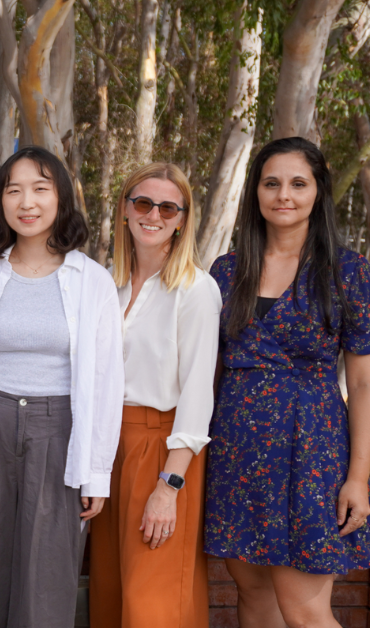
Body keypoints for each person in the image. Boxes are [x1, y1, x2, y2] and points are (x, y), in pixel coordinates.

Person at [205, 136, 370, 627]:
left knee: (306, 611)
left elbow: (368, 384)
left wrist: (357, 477)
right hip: (237, 453)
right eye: (271, 183)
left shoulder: (347, 272)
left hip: (313, 454)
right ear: (256, 193)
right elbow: (206, 374)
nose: (283, 194)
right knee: (255, 600)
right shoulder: (226, 273)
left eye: (297, 183)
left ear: (317, 192)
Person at [0, 145, 124, 628]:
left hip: (60, 430)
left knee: (49, 566)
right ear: (1, 201)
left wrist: (97, 472)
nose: (27, 202)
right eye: (14, 190)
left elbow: (107, 380)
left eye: (40, 189)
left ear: (60, 199)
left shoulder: (91, 280)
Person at [88, 163, 220, 627]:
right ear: (125, 210)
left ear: (183, 219)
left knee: (153, 601)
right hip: (108, 448)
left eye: (168, 207)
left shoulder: (196, 290)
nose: (154, 215)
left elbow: (198, 396)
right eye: (143, 203)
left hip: (162, 449)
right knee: (109, 593)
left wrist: (170, 487)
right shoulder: (105, 282)